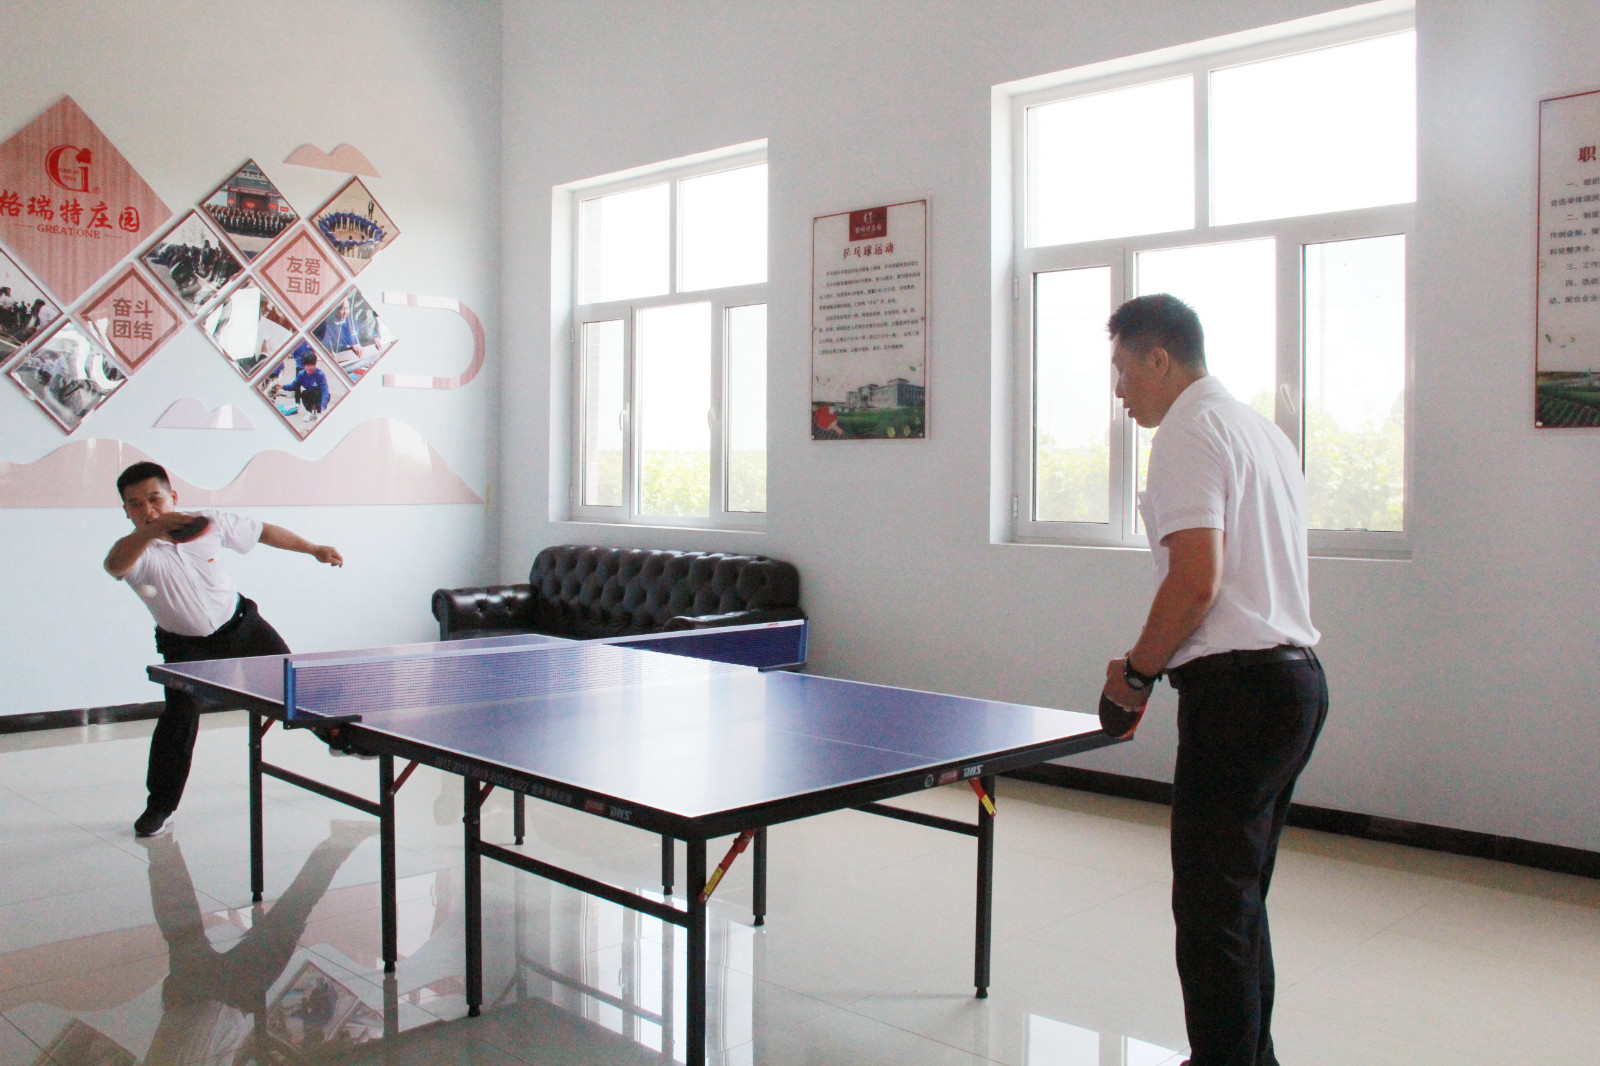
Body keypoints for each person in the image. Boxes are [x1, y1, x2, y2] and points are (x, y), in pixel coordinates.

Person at [1098, 294, 1328, 1066]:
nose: (1119, 390)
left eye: (1124, 370)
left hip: (1241, 696)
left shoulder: (1188, 432)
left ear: (1160, 359)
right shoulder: (1260, 432)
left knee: (1210, 911)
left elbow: (1197, 580)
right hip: (1295, 687)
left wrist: (1137, 672)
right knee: (1237, 900)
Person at [105, 461, 344, 837]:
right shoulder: (137, 552)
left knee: (291, 684)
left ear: (173, 496)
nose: (147, 509)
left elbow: (263, 532)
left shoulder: (208, 523)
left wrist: (314, 548)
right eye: (136, 504)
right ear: (127, 512)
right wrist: (152, 531)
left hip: (240, 626)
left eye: (154, 498)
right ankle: (160, 807)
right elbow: (113, 564)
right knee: (179, 719)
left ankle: (338, 737)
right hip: (184, 647)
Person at [290, 351, 331, 423]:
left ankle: (319, 413)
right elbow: (294, 385)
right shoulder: (301, 374)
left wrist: (323, 407)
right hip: (310, 393)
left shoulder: (320, 374)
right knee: (304, 393)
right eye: (307, 365)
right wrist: (282, 387)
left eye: (311, 365)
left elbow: (325, 390)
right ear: (304, 365)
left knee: (322, 394)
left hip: (318, 394)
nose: (309, 368)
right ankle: (309, 412)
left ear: (314, 364)